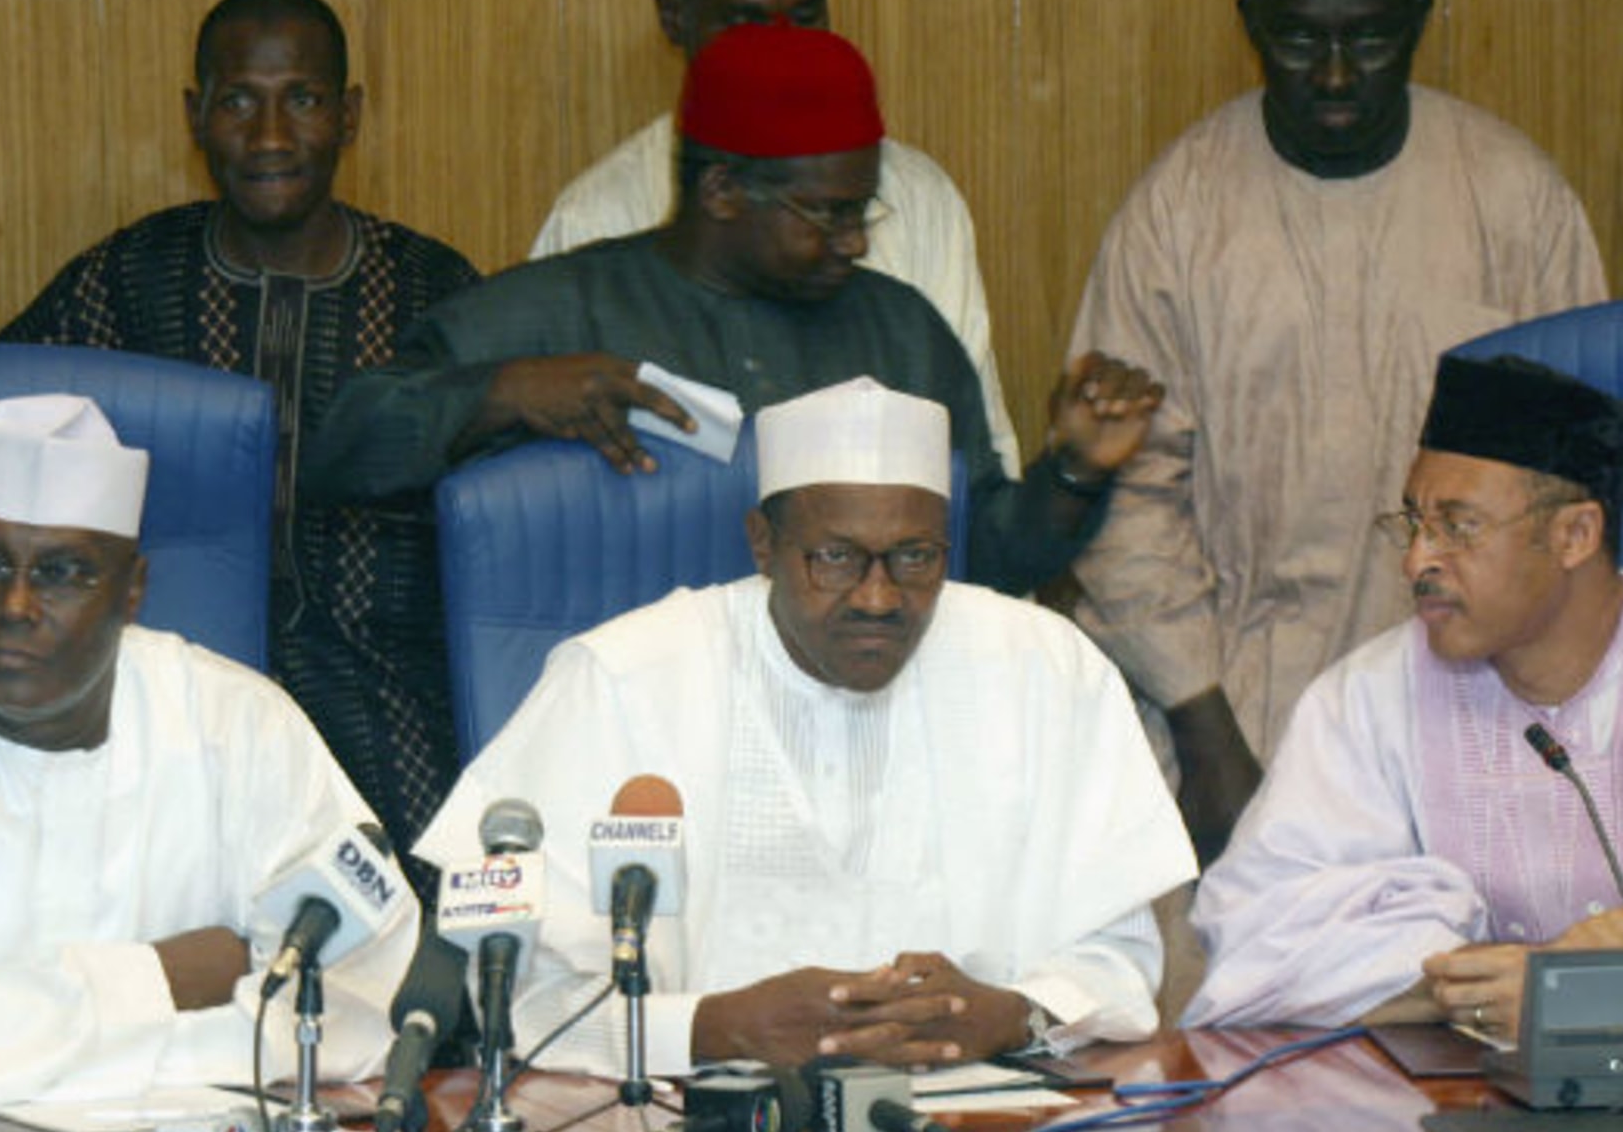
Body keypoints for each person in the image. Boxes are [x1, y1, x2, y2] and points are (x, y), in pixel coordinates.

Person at [1059, 0, 1608, 864]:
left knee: (1475, 995)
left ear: (1420, 21)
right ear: (1251, 23)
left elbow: (1577, 489)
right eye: (1304, 38)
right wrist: (1204, 729)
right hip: (1246, 704)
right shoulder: (1178, 212)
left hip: (1480, 696)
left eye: (1370, 36)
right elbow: (1130, 499)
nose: (1340, 73)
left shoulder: (1514, 201)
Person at [417, 378, 1196, 1074]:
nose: (879, 598)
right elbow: (520, 998)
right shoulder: (622, 679)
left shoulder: (1044, 667)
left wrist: (1011, 1015)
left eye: (916, 556)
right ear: (763, 544)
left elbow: (1120, 960)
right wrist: (715, 1027)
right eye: (836, 557)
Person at [302, 22, 1158, 600]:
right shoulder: (561, 308)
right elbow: (342, 446)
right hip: (625, 749)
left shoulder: (901, 332)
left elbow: (980, 564)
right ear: (720, 189)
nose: (856, 242)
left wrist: (1075, 472)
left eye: (866, 209)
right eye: (827, 214)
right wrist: (506, 392)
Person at [0, 0, 480, 858]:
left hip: (384, 690)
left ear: (350, 115)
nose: (269, 137)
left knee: (433, 915)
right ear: (195, 116)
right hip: (166, 684)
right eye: (238, 103)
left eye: (302, 99)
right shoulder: (128, 278)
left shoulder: (431, 288)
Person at [0, 395, 419, 1115]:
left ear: (132, 590)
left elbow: (357, 997)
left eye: (61, 572)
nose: (13, 604)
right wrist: (161, 981)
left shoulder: (241, 726)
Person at [1185, 354, 1623, 1033]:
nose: (1416, 559)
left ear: (1575, 534)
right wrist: (1529, 976)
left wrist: (1577, 990)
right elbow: (1252, 939)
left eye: (1459, 526)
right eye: (1414, 522)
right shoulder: (1368, 695)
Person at [530, 0, 1020, 474]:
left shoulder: (920, 196)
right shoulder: (595, 212)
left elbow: (978, 459)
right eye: (747, 22)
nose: (783, 45)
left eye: (807, 16)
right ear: (674, 18)